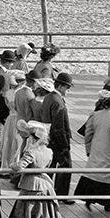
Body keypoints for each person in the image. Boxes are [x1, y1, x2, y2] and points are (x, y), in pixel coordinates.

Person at [8, 120, 64, 218]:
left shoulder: (31, 153)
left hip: (31, 185)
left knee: (27, 213)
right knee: (46, 215)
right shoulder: (49, 151)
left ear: (33, 138)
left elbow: (19, 167)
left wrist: (12, 165)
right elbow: (47, 166)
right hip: (45, 184)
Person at [75, 89, 110, 211]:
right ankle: (109, 203)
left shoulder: (95, 115)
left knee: (94, 174)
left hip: (96, 150)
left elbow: (88, 134)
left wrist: (88, 149)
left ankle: (89, 198)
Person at [38, 73, 73, 202]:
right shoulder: (58, 102)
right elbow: (59, 127)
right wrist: (64, 145)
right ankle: (61, 195)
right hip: (57, 139)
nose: (68, 91)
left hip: (48, 136)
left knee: (50, 166)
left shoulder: (49, 97)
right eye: (67, 88)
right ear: (62, 86)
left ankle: (46, 191)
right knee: (66, 166)